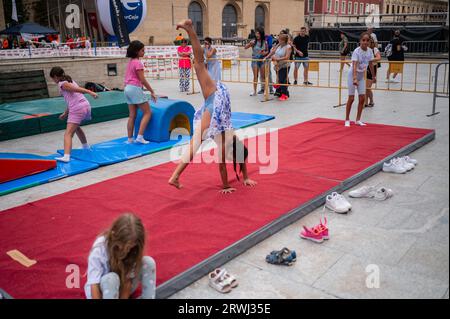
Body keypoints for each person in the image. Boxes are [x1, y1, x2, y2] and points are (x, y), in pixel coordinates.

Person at [168, 19, 257, 193]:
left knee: (196, 142)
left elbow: (240, 160)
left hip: (216, 104)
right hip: (216, 101)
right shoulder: (229, 146)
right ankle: (189, 28)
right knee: (199, 64)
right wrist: (226, 186)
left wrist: (245, 177)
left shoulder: (235, 144)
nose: (232, 159)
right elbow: (223, 167)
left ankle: (175, 176)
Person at [85, 213, 156, 299]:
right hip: (102, 292)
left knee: (148, 262)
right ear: (114, 235)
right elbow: (94, 285)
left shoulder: (133, 249)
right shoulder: (99, 248)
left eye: (130, 247)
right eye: (124, 246)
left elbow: (127, 282)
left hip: (120, 287)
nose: (127, 250)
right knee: (111, 279)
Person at [49, 67, 98, 162]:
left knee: (68, 134)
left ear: (55, 76)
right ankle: (85, 146)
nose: (53, 81)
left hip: (78, 108)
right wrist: (65, 113)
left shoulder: (62, 84)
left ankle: (66, 156)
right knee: (76, 127)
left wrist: (90, 92)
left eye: (52, 78)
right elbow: (71, 99)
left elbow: (77, 90)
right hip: (85, 106)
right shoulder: (70, 80)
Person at [124, 40, 158, 144]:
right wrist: (152, 91)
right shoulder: (138, 63)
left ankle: (130, 139)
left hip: (127, 88)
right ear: (136, 51)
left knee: (132, 115)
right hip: (134, 88)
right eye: (142, 50)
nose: (144, 52)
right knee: (148, 112)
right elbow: (142, 80)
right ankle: (140, 136)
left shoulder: (130, 62)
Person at [344, 32, 375, 127]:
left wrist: (373, 76)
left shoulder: (370, 51)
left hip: (361, 76)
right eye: (363, 40)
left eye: (367, 40)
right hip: (352, 75)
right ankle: (347, 119)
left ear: (369, 42)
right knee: (351, 98)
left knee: (362, 98)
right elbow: (354, 66)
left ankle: (358, 119)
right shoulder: (356, 51)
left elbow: (370, 64)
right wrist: (354, 78)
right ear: (360, 41)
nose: (365, 42)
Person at [265, 33, 292, 101]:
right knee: (280, 80)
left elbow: (287, 57)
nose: (278, 40)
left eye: (279, 39)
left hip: (284, 65)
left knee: (283, 80)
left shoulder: (288, 47)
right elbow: (273, 52)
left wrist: (277, 59)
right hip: (277, 65)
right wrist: (266, 57)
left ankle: (284, 94)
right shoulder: (279, 45)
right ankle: (281, 92)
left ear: (283, 40)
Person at [245, 27, 268, 96]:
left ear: (261, 34)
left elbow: (267, 51)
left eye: (258, 33)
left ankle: (264, 90)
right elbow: (245, 47)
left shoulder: (264, 42)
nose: (257, 35)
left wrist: (265, 53)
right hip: (255, 60)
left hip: (262, 60)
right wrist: (249, 44)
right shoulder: (253, 41)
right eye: (256, 33)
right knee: (255, 76)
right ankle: (254, 91)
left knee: (263, 76)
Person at [365, 36, 381, 108]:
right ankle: (368, 101)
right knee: (365, 87)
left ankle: (368, 102)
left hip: (372, 69)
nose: (368, 43)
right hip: (364, 68)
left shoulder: (375, 49)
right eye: (367, 41)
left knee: (367, 87)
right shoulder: (364, 49)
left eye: (370, 41)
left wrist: (371, 59)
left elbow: (379, 57)